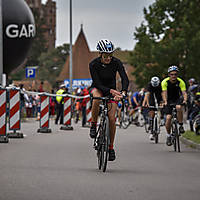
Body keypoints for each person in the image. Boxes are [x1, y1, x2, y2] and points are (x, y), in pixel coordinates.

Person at [89, 39, 129, 161]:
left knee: (112, 119)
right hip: (98, 88)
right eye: (105, 56)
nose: (108, 58)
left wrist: (123, 92)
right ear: (100, 54)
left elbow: (124, 78)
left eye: (110, 55)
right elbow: (97, 83)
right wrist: (111, 91)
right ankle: (93, 124)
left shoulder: (116, 62)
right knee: (96, 99)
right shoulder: (93, 64)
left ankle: (111, 147)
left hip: (113, 90)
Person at [161, 66, 187, 146]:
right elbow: (164, 93)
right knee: (168, 118)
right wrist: (165, 101)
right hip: (168, 100)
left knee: (179, 107)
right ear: (169, 75)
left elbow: (184, 93)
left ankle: (181, 125)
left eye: (175, 74)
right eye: (172, 74)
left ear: (177, 75)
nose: (173, 76)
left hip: (177, 99)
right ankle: (169, 136)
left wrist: (185, 100)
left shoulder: (180, 82)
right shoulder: (165, 82)